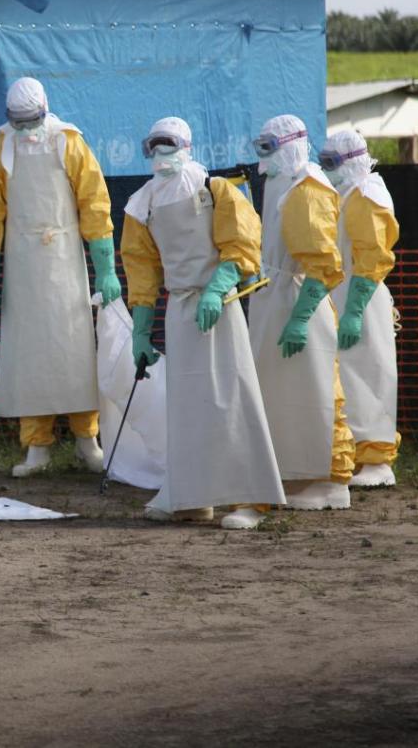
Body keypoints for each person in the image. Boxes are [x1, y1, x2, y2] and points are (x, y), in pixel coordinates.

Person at [121, 117, 286, 529]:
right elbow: (142, 272)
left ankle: (249, 498)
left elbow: (242, 244)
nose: (162, 154)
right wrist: (141, 332)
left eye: (169, 145)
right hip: (180, 311)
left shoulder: (217, 191)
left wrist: (218, 287)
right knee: (187, 407)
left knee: (231, 397)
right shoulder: (142, 205)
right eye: (154, 146)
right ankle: (191, 497)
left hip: (219, 305)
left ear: (187, 146)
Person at [0, 77, 118, 478]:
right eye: (18, 122)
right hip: (23, 267)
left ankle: (88, 440)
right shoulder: (2, 149)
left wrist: (104, 268)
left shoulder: (69, 143)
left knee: (75, 352)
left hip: (66, 262)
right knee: (28, 355)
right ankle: (37, 446)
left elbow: (94, 202)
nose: (26, 129)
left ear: (45, 110)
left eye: (30, 120)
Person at [248, 115, 356, 510]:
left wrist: (300, 318)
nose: (265, 158)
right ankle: (296, 473)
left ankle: (332, 480)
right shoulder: (281, 182)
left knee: (319, 393)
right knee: (284, 394)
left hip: (297, 300)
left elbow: (323, 263)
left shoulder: (308, 188)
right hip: (273, 297)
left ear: (291, 145)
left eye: (270, 148)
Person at [321, 130, 402, 487]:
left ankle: (378, 461)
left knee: (370, 374)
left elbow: (374, 255)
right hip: (343, 294)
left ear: (351, 159)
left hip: (363, 298)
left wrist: (354, 310)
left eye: (331, 163)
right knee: (348, 376)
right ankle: (352, 453)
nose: (327, 170)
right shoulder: (346, 194)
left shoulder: (368, 194)